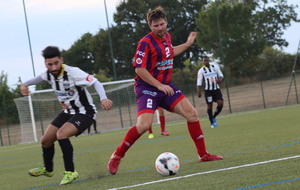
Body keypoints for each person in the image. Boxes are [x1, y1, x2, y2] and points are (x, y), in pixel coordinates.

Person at [107, 6, 222, 175]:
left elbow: (169, 52)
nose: (160, 28)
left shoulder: (167, 37)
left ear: (166, 22)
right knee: (144, 125)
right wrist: (158, 85)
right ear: (150, 26)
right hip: (147, 88)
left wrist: (188, 44)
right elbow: (139, 69)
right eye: (156, 26)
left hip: (166, 86)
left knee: (192, 114)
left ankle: (203, 155)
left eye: (162, 24)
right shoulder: (145, 43)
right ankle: (117, 156)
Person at [20, 46, 113, 185]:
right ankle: (48, 169)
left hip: (85, 112)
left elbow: (95, 82)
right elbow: (38, 79)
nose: (53, 67)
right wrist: (24, 84)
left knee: (62, 134)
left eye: (56, 63)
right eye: (50, 64)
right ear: (46, 64)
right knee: (45, 140)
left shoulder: (73, 72)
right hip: (68, 112)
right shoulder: (48, 74)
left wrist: (103, 98)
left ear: (61, 60)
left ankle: (71, 172)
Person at [197, 56, 224, 128]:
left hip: (216, 89)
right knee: (209, 106)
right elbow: (199, 81)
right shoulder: (201, 70)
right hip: (208, 91)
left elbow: (221, 75)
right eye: (204, 61)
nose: (205, 61)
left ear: (208, 60)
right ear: (203, 62)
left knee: (220, 103)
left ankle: (214, 116)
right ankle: (212, 122)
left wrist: (220, 80)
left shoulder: (215, 67)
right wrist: (199, 91)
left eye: (206, 60)